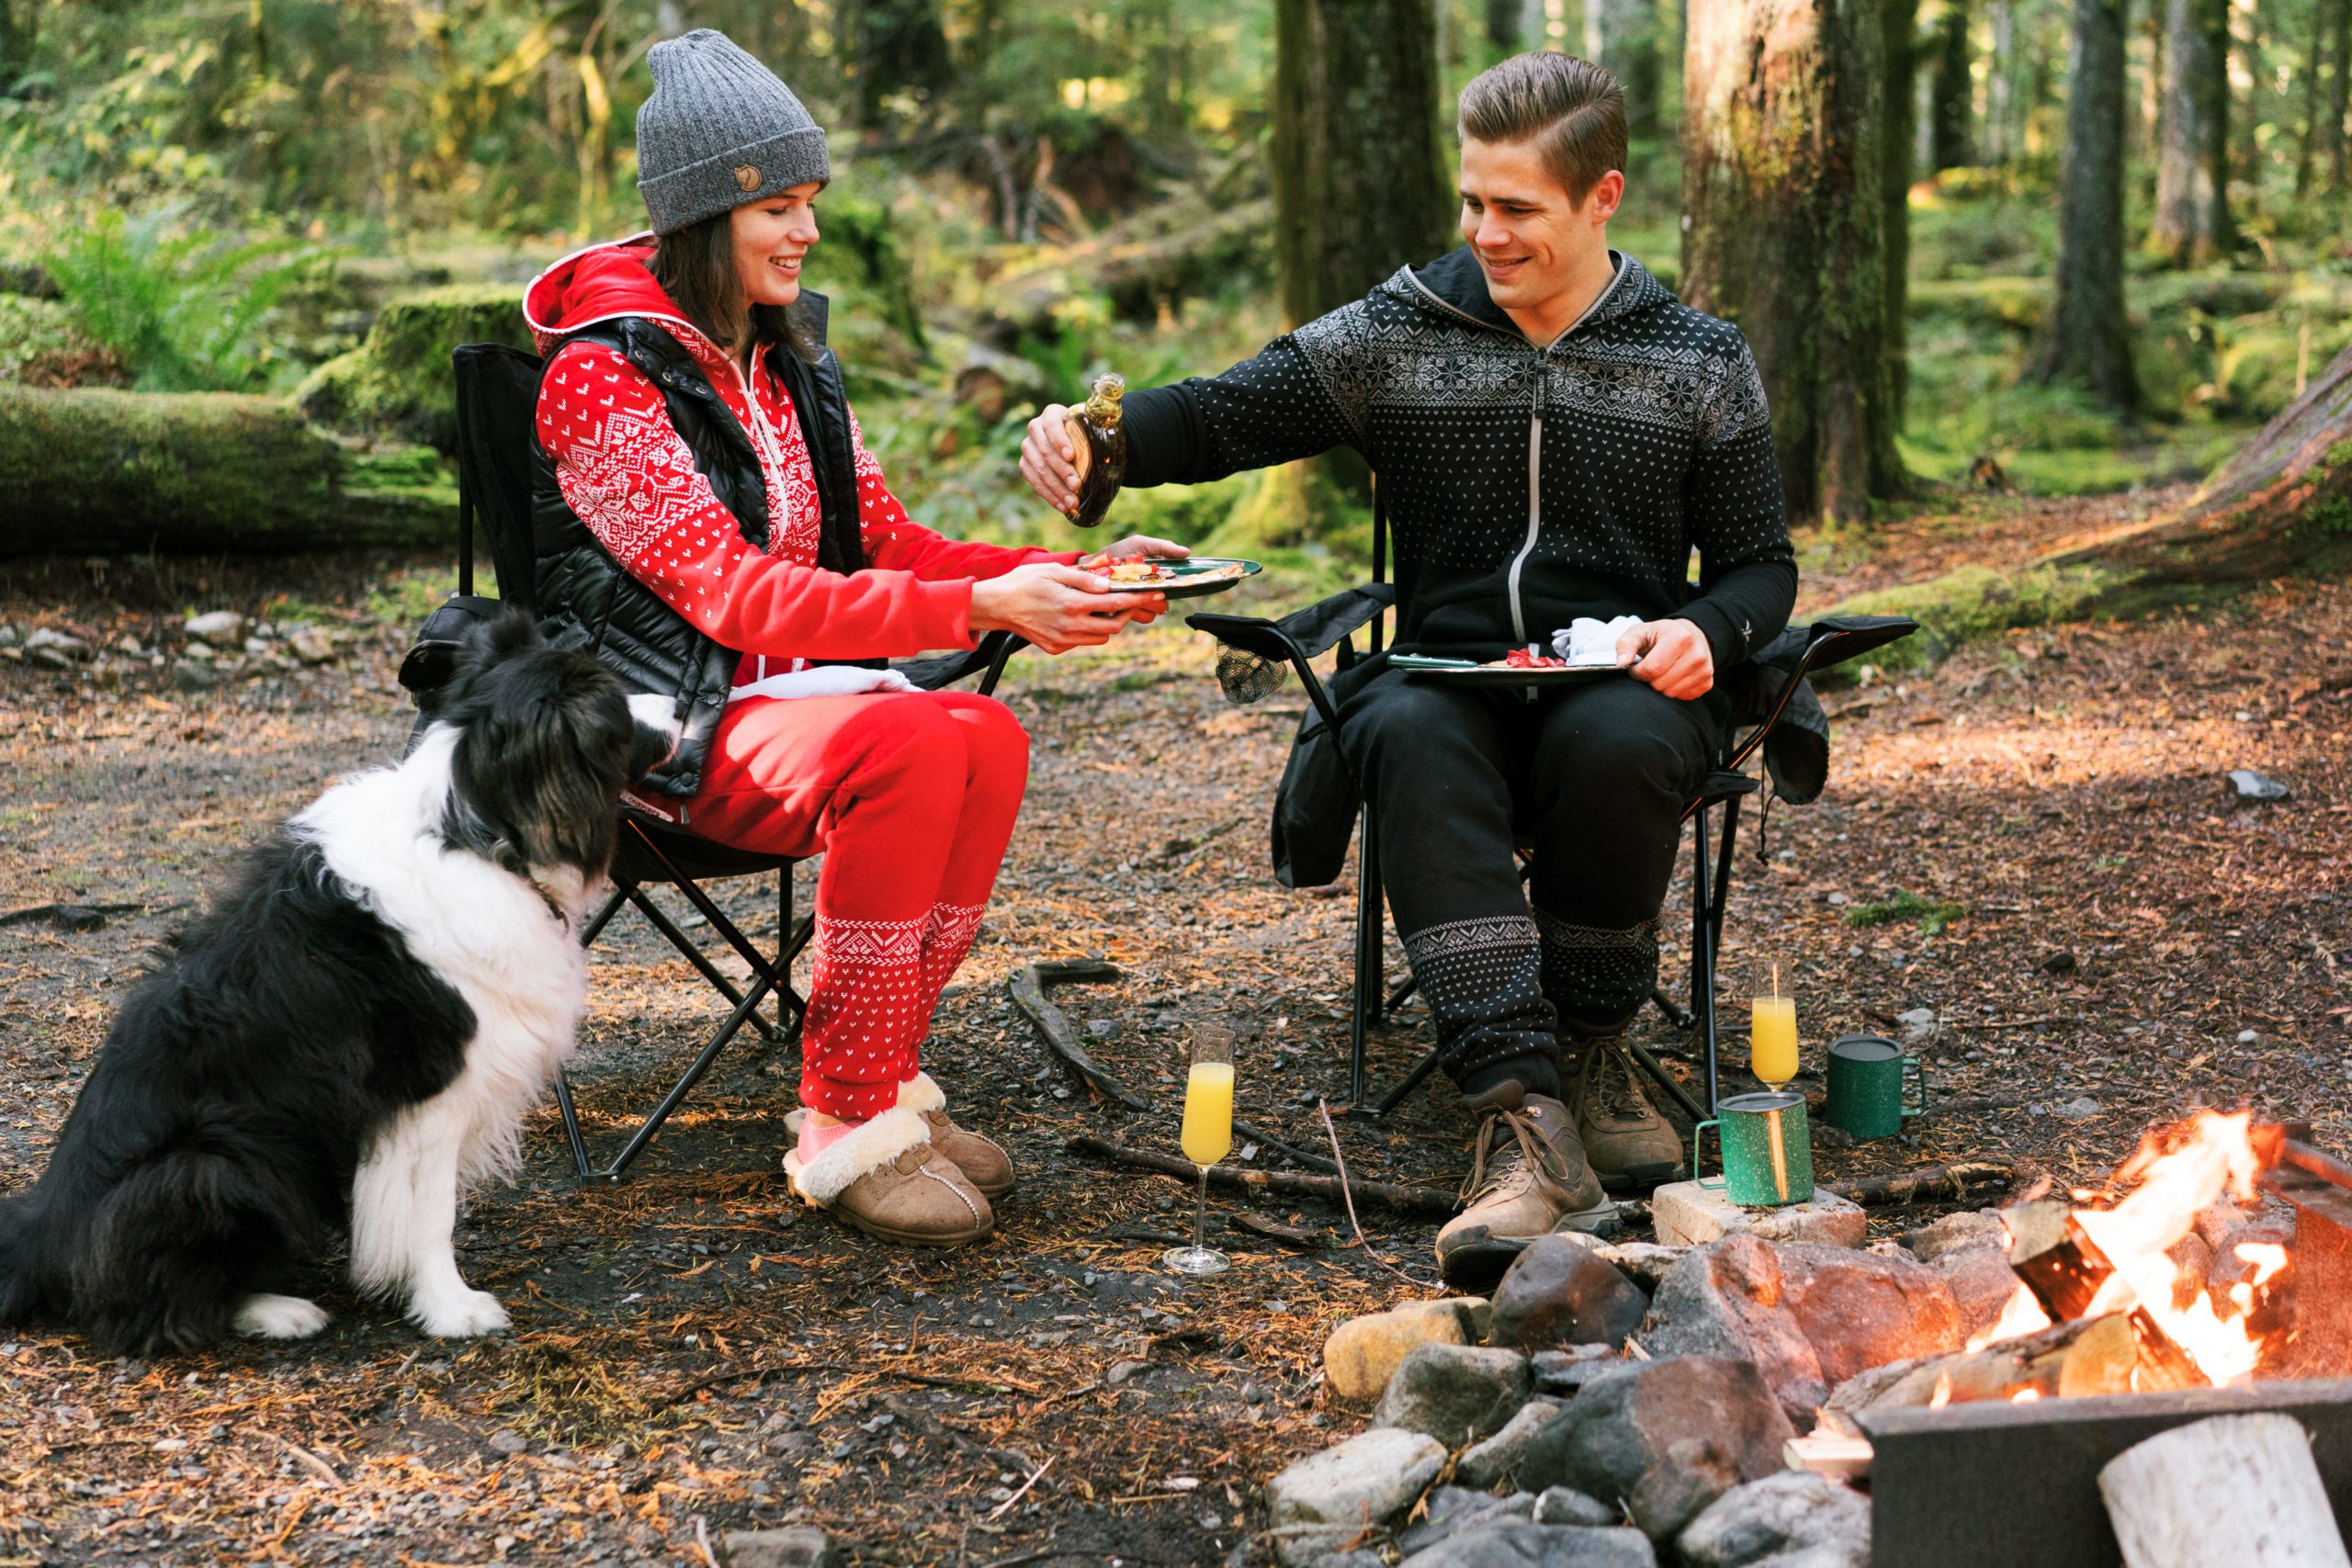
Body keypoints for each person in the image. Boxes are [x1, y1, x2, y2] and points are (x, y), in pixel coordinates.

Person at [1020, 52, 1797, 1285]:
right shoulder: (1404, 326)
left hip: (1623, 679)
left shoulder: (1695, 356)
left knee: (1625, 741)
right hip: (1446, 670)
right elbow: (1227, 412)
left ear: (1604, 198)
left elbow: (1762, 566)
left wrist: (1709, 630)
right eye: (1472, 203)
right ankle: (1524, 1115)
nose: (1486, 235)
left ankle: (1594, 1045)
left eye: (1518, 209)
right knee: (1410, 733)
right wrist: (1095, 434)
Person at [526, 29, 1183, 1248]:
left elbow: (886, 541)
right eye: (778, 205)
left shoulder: (787, 363)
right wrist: (981, 611)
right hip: (648, 728)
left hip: (797, 711)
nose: (807, 232)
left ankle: (883, 1075)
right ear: (702, 215)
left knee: (982, 733)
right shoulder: (599, 381)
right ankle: (843, 1119)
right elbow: (732, 598)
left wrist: (1059, 575)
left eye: (811, 202)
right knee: (916, 744)